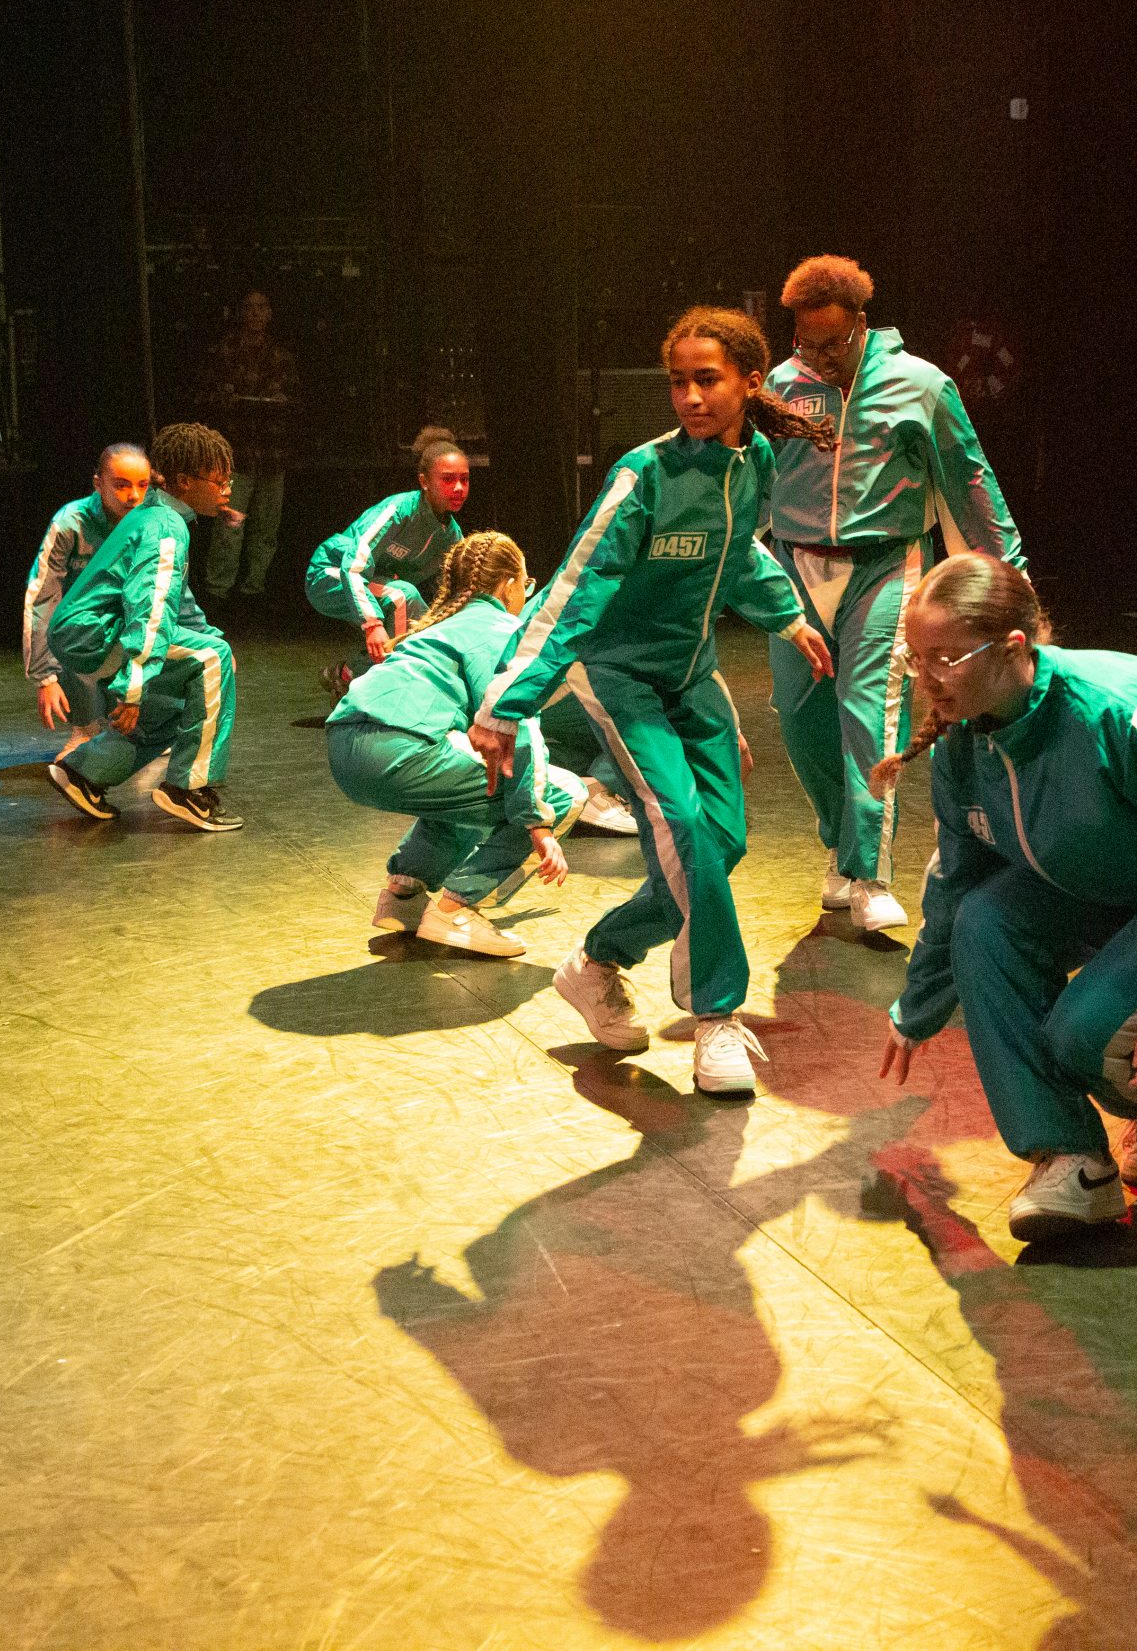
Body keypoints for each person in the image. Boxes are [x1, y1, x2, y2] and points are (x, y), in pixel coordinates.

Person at [874, 553, 1137, 1241]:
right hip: (1110, 873)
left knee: (1089, 1036)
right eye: (915, 659)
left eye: (945, 659)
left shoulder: (1119, 710)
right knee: (983, 920)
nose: (926, 680)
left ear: (1012, 648)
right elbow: (956, 885)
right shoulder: (965, 742)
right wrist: (916, 1007)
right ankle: (1074, 1160)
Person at [467, 306, 836, 1097]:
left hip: (692, 674)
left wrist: (789, 615)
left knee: (720, 845)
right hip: (619, 674)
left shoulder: (756, 463)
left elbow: (740, 555)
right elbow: (573, 587)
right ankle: (716, 1017)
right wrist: (505, 702)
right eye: (679, 382)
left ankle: (597, 958)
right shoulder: (645, 473)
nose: (691, 397)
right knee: (682, 825)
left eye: (708, 380)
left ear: (750, 381)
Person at [761, 255, 1025, 933]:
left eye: (834, 343)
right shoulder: (781, 386)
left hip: (883, 564)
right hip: (794, 567)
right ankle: (840, 843)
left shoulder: (922, 385)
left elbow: (970, 479)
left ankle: (871, 874)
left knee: (868, 714)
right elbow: (754, 479)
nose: (821, 358)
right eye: (807, 344)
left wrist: (1009, 575)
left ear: (862, 324)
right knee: (800, 719)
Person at [328, 530, 588, 958]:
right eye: (524, 585)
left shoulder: (438, 625)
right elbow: (516, 721)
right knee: (566, 793)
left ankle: (404, 894)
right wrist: (539, 824)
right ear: (508, 585)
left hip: (344, 748)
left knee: (472, 784)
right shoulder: (501, 628)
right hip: (400, 749)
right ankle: (456, 909)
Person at [43, 422, 245, 832]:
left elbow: (177, 601)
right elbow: (150, 607)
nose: (226, 491)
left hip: (88, 634)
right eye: (220, 481)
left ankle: (84, 772)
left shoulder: (157, 516)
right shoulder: (165, 526)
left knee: (169, 712)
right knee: (212, 659)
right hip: (98, 635)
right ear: (185, 482)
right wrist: (134, 687)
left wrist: (208, 637)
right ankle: (189, 790)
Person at [22, 444, 154, 762]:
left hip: (126, 618)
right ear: (98, 484)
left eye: (142, 485)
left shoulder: (151, 522)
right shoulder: (71, 523)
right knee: (76, 632)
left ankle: (145, 727)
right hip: (81, 626)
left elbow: (169, 588)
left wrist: (205, 634)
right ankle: (85, 728)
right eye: (121, 485)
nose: (133, 496)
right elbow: (42, 596)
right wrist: (44, 676)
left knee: (167, 640)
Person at [309, 428, 468, 692]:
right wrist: (372, 624)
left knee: (426, 625)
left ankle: (347, 674)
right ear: (424, 481)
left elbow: (459, 592)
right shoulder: (398, 511)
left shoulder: (451, 535)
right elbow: (353, 568)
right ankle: (393, 690)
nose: (459, 488)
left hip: (375, 585)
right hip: (331, 574)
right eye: (448, 479)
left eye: (464, 479)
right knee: (403, 596)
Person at [199, 289, 298, 602]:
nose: (256, 313)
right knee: (229, 525)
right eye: (250, 308)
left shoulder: (281, 354)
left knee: (266, 528)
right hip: (235, 453)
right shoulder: (224, 351)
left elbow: (296, 400)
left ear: (269, 313)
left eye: (261, 307)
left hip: (272, 453)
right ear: (241, 313)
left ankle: (255, 588)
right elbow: (207, 396)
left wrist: (282, 401)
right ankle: (219, 590)